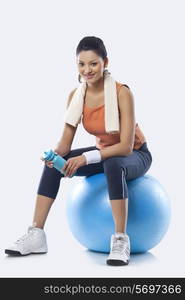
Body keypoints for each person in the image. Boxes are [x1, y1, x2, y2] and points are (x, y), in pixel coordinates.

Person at [5, 36, 152, 266]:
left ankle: (121, 240)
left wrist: (86, 158)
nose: (87, 69)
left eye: (93, 63)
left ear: (105, 62)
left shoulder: (122, 93)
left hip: (134, 154)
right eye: (81, 64)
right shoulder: (76, 96)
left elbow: (124, 146)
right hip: (104, 151)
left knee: (113, 164)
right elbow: (65, 143)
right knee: (55, 163)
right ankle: (36, 234)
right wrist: (53, 156)